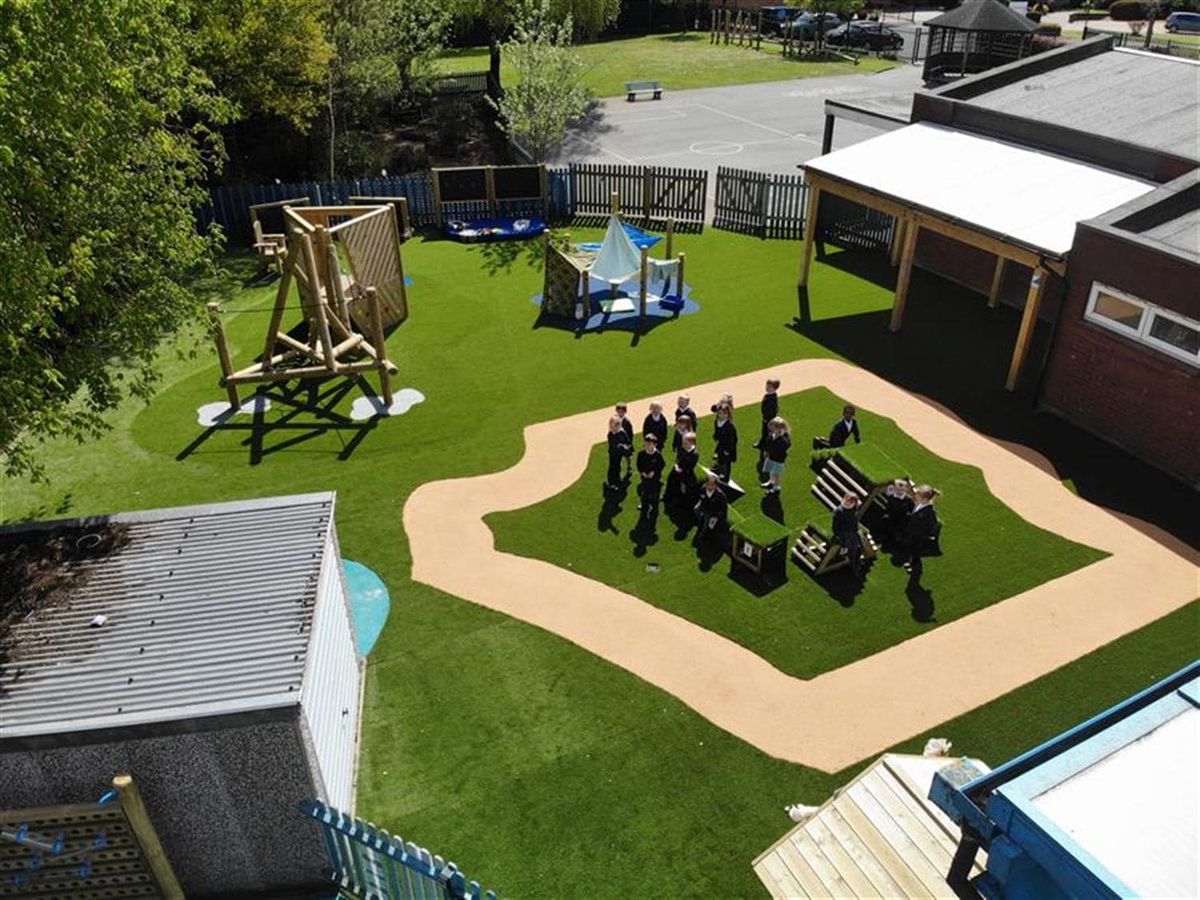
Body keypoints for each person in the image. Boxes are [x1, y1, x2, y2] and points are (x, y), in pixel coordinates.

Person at [900, 485, 941, 581]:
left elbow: (932, 525)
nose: (916, 497)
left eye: (918, 495)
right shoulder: (920, 504)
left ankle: (915, 567)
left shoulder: (930, 512)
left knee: (915, 552)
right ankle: (910, 562)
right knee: (910, 549)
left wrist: (925, 535)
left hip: (918, 537)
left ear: (925, 498)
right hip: (912, 533)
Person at [832, 493, 864, 578]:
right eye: (846, 500)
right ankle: (853, 566)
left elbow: (855, 523)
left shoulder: (855, 509)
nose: (846, 502)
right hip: (843, 533)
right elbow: (835, 526)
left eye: (849, 501)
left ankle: (857, 561)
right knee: (852, 548)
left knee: (861, 545)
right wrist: (837, 535)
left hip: (853, 531)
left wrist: (857, 531)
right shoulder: (839, 511)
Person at [667, 430, 700, 509]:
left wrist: (681, 469)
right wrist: (676, 465)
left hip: (687, 473)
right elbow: (678, 458)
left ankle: (689, 503)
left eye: (685, 443)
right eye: (683, 442)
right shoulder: (682, 449)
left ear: (692, 443)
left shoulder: (694, 454)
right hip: (678, 469)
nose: (683, 445)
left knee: (689, 488)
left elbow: (690, 466)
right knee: (671, 480)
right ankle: (670, 497)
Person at [760, 416, 791, 495]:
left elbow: (786, 445)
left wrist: (779, 437)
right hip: (771, 457)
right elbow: (768, 443)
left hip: (778, 459)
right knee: (771, 471)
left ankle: (776, 488)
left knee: (776, 474)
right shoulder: (772, 434)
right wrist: (766, 451)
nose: (772, 429)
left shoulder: (784, 437)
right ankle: (771, 482)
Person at [636, 433, 665, 516]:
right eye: (646, 443)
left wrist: (654, 472)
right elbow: (639, 465)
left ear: (655, 444)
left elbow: (661, 465)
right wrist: (642, 472)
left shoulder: (657, 455)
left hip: (655, 479)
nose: (647, 446)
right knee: (644, 493)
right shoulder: (641, 454)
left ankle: (654, 509)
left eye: (650, 444)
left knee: (655, 495)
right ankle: (644, 506)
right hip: (645, 479)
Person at [882, 478, 915, 547]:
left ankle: (897, 541)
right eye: (899, 486)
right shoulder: (892, 497)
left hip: (902, 519)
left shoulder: (908, 500)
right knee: (888, 528)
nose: (901, 489)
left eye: (903, 487)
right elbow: (888, 506)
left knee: (898, 532)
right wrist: (886, 513)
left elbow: (912, 509)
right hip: (891, 517)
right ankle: (887, 539)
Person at [694, 473, 728, 537]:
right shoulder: (703, 489)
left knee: (707, 520)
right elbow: (700, 497)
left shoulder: (721, 496)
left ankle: (704, 532)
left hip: (714, 512)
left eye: (712, 485)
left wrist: (719, 517)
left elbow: (723, 508)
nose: (709, 486)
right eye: (708, 484)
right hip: (704, 507)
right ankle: (700, 522)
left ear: (716, 485)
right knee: (696, 510)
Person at [753, 379, 781, 458]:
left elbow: (772, 410)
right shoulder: (768, 395)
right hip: (766, 417)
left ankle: (767, 446)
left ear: (774, 388)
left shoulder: (772, 398)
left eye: (769, 386)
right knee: (764, 431)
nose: (767, 387)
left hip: (769, 419)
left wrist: (768, 419)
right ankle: (762, 443)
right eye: (767, 385)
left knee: (768, 432)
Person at [712, 402, 738, 482]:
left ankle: (726, 476)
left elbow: (732, 439)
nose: (721, 416)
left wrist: (728, 450)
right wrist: (716, 436)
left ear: (728, 414)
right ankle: (719, 468)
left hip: (728, 446)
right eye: (720, 413)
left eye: (724, 414)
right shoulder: (717, 422)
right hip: (721, 444)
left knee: (727, 462)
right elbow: (717, 431)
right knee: (720, 458)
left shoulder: (729, 426)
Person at [605, 415, 632, 492]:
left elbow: (627, 441)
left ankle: (617, 478)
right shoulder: (610, 434)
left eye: (613, 426)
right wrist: (622, 446)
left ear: (618, 425)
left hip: (619, 453)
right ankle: (611, 482)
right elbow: (613, 444)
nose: (612, 428)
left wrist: (626, 446)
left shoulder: (622, 432)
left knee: (618, 465)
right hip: (613, 453)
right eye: (611, 426)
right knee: (612, 467)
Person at [615, 403, 634, 478]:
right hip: (617, 442)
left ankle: (629, 467)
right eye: (619, 411)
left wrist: (629, 443)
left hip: (625, 442)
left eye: (622, 411)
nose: (620, 413)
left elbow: (630, 433)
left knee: (627, 456)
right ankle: (619, 470)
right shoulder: (615, 420)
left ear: (625, 412)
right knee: (618, 457)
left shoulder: (627, 422)